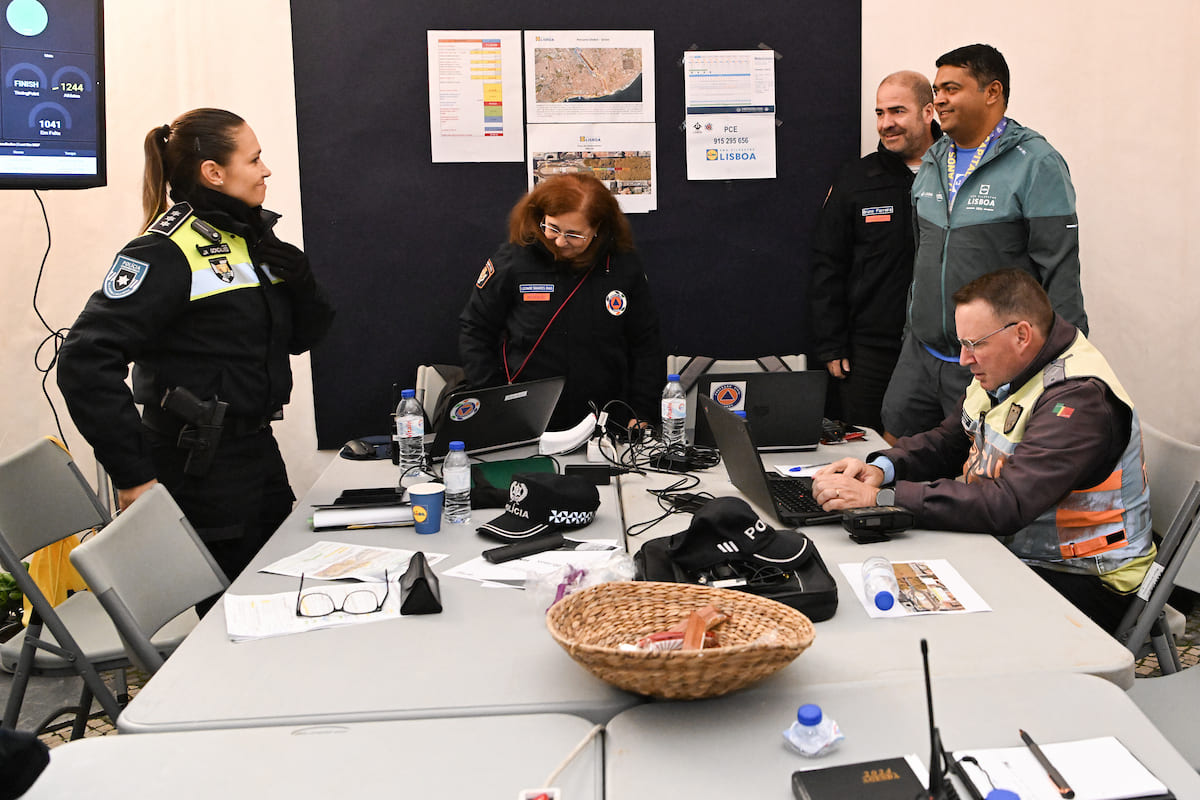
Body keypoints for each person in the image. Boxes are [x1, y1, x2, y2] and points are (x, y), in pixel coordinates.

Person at [57, 108, 335, 582]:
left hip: (256, 453)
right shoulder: (164, 251)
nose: (266, 170)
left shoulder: (248, 238)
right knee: (240, 618)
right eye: (254, 159)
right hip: (200, 469)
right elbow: (83, 362)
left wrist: (301, 283)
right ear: (214, 172)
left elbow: (301, 340)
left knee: (285, 589)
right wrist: (133, 475)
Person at [813, 269, 1151, 634]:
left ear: (1021, 335)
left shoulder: (1077, 400)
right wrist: (882, 468)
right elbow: (948, 441)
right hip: (1016, 553)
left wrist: (882, 498)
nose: (963, 359)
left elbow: (1008, 505)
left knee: (919, 621)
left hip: (1087, 579)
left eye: (975, 344)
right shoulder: (1008, 370)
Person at [881, 43, 1088, 439]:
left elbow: (1060, 272)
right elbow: (924, 257)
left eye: (952, 88)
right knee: (893, 452)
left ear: (992, 92)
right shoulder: (934, 158)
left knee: (974, 479)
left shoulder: (1036, 163)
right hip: (921, 354)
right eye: (937, 89)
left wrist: (1064, 371)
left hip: (987, 363)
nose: (938, 99)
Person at [459, 172, 663, 430]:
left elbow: (646, 344)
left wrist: (642, 410)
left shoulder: (623, 266)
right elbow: (475, 330)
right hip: (525, 415)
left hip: (604, 417)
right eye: (552, 227)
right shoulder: (514, 259)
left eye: (574, 234)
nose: (559, 241)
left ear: (598, 229)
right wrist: (494, 398)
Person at [809, 71, 938, 434]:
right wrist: (831, 343)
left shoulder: (958, 172)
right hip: (870, 351)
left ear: (928, 112)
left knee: (940, 455)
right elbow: (827, 263)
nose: (886, 123)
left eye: (897, 111)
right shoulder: (856, 178)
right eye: (880, 113)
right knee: (863, 454)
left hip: (946, 351)